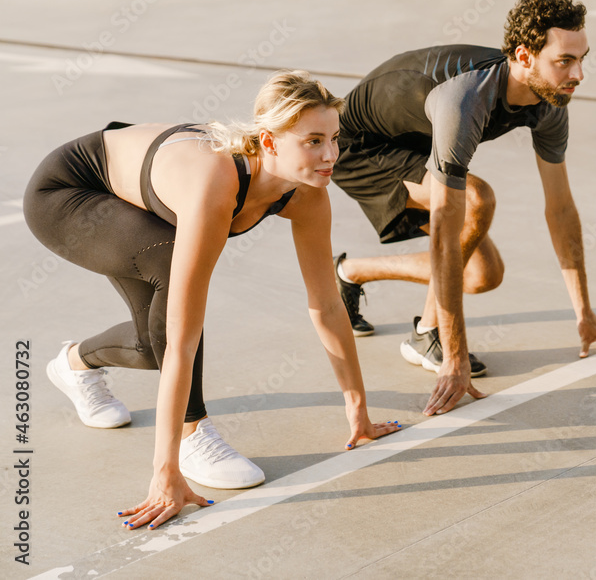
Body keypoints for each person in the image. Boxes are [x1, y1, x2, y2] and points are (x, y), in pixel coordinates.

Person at [23, 71, 401, 531]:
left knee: (150, 344)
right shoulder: (215, 184)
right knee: (169, 297)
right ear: (269, 141)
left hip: (138, 197)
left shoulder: (306, 194)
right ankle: (192, 433)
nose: (330, 156)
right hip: (70, 194)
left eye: (335, 138)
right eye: (313, 141)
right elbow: (183, 338)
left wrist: (357, 411)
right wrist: (166, 475)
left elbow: (325, 303)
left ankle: (74, 365)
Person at [330, 0, 596, 417]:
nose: (578, 74)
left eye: (582, 59)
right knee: (475, 199)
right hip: (359, 146)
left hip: (418, 138)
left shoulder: (549, 101)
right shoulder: (465, 99)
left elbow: (560, 208)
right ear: (524, 57)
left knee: (483, 274)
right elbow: (447, 235)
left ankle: (349, 272)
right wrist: (456, 357)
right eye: (565, 60)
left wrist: (584, 313)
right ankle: (427, 335)